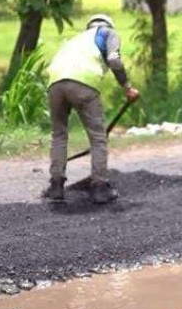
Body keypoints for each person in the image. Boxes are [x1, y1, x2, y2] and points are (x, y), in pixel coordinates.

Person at [44, 14, 140, 204]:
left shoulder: (76, 40)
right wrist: (127, 87)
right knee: (97, 137)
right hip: (83, 83)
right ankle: (99, 187)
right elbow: (113, 59)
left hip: (54, 84)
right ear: (108, 25)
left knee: (59, 135)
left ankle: (56, 186)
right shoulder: (107, 33)